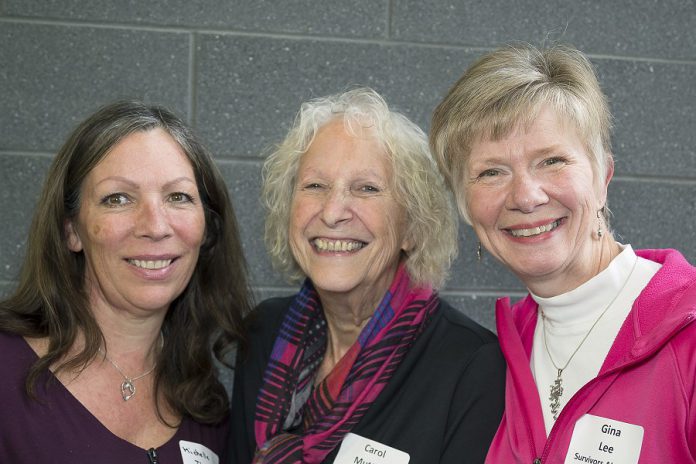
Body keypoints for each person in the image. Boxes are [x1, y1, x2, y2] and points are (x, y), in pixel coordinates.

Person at [430, 43, 696, 463]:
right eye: (491, 172)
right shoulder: (498, 354)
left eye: (551, 160)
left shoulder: (688, 332)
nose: (525, 196)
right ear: (464, 205)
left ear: (603, 177)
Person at [228, 87, 505, 464]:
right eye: (314, 186)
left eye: (367, 189)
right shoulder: (262, 333)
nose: (333, 211)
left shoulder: (471, 367)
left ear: (412, 227)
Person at [0, 101, 252, 463]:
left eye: (177, 197)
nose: (155, 226)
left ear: (207, 227)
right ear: (71, 229)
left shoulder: (206, 404)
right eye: (118, 198)